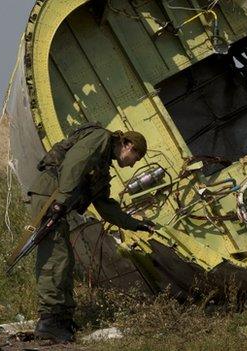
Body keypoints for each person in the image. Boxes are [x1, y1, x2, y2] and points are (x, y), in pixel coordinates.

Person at [27, 124, 154, 343]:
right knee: (55, 259)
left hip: (56, 200)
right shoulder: (100, 139)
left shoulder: (103, 168)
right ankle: (49, 322)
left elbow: (105, 205)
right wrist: (62, 200)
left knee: (63, 259)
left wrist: (135, 224)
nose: (134, 163)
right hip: (50, 197)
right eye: (136, 156)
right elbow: (75, 163)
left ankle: (62, 319)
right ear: (128, 145)